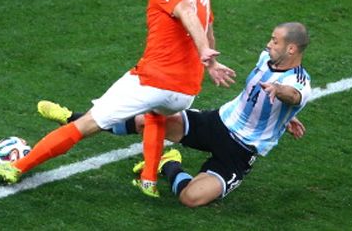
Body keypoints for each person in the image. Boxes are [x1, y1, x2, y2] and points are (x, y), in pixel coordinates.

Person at [0, 0, 236, 197]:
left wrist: (204, 51)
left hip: (154, 80)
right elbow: (207, 28)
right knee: (155, 116)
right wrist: (211, 63)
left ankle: (16, 167)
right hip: (185, 92)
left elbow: (184, 11)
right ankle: (148, 179)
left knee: (87, 123)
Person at [37, 22, 311, 207]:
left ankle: (168, 163)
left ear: (291, 49)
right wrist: (285, 116)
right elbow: (260, 97)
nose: (268, 44)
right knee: (148, 119)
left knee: (191, 198)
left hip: (240, 150)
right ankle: (74, 118)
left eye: (275, 41)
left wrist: (283, 96)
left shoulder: (300, 81)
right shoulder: (266, 59)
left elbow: (294, 95)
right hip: (218, 121)